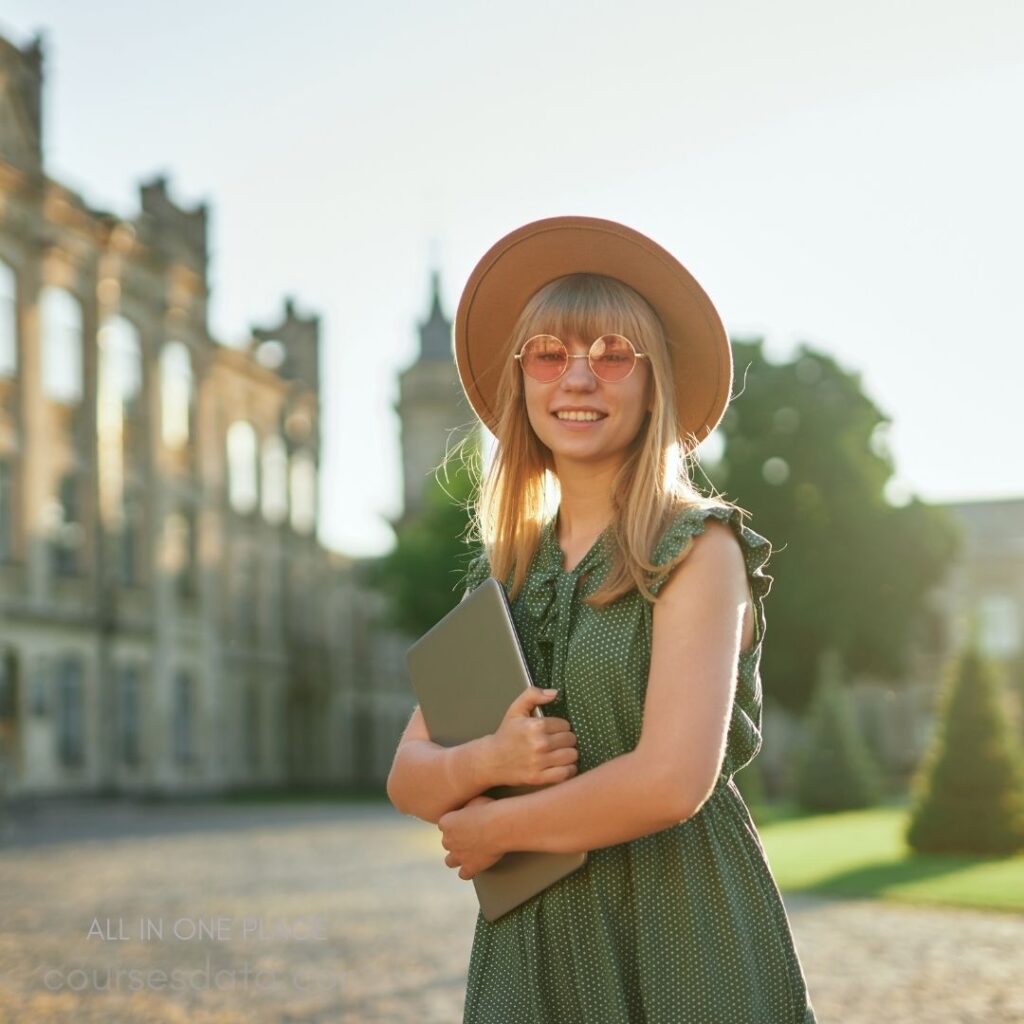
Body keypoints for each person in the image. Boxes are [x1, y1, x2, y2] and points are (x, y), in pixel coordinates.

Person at [386, 215, 817, 1023]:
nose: (577, 379)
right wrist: (487, 757)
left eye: (613, 355)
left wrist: (496, 829)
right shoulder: (512, 569)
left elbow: (669, 784)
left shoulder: (697, 548)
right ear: (522, 382)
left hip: (677, 923)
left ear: (654, 383)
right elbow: (408, 773)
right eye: (549, 354)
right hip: (535, 940)